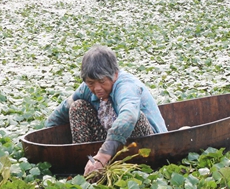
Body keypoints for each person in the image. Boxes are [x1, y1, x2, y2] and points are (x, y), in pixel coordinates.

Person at [45, 45, 167, 175]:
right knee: (77, 107)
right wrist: (46, 135)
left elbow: (129, 116)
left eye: (102, 81)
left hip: (147, 145)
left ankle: (111, 162)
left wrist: (103, 155)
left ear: (114, 75)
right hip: (112, 142)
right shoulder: (86, 88)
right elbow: (63, 109)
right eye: (91, 83)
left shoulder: (126, 86)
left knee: (135, 117)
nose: (97, 88)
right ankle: (88, 164)